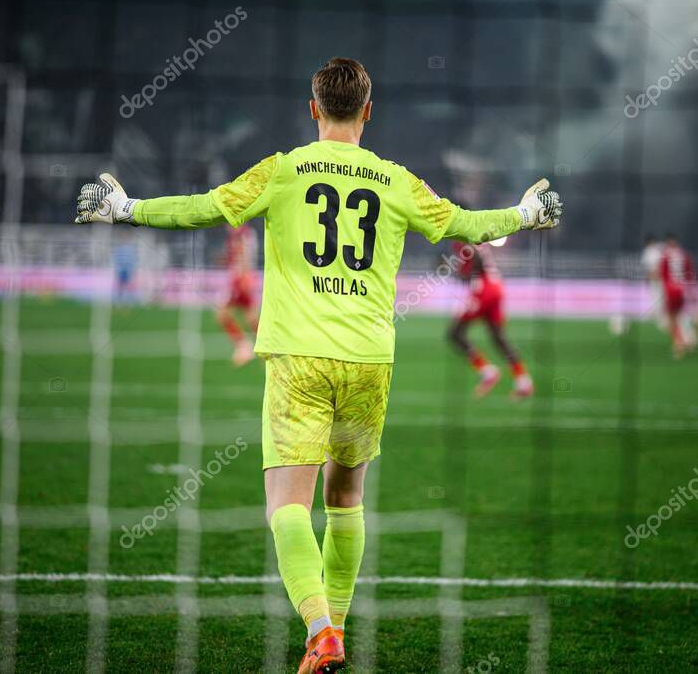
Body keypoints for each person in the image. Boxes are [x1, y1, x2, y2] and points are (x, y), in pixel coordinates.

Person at [73, 57, 563, 673]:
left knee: (285, 506)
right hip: (368, 360)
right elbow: (463, 225)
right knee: (347, 499)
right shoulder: (394, 180)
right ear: (368, 110)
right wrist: (525, 216)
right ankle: (329, 633)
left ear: (313, 109)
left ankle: (321, 630)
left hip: (299, 358)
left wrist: (126, 208)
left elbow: (204, 208)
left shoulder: (281, 170)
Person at [447, 240, 534, 398]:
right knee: (498, 337)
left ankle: (488, 371)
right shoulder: (472, 229)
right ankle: (523, 381)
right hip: (496, 286)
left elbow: (476, 258)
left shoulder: (458, 234)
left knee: (455, 333)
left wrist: (466, 275)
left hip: (483, 290)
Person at [217, 224, 260, 366]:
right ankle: (263, 348)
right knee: (251, 318)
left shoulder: (240, 232)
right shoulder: (243, 232)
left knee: (223, 315)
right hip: (242, 277)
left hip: (240, 278)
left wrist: (244, 277)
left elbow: (244, 255)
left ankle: (245, 347)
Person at [659, 233, 698, 358]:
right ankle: (691, 341)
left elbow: (662, 275)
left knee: (671, 320)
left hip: (671, 290)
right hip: (682, 290)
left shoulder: (665, 255)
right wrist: (691, 289)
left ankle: (678, 346)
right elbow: (690, 273)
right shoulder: (684, 254)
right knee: (683, 316)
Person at [640, 234, 667, 331]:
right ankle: (661, 320)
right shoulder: (655, 250)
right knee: (659, 299)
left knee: (658, 299)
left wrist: (651, 276)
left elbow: (652, 266)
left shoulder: (650, 251)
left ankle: (661, 320)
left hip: (656, 278)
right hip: (658, 278)